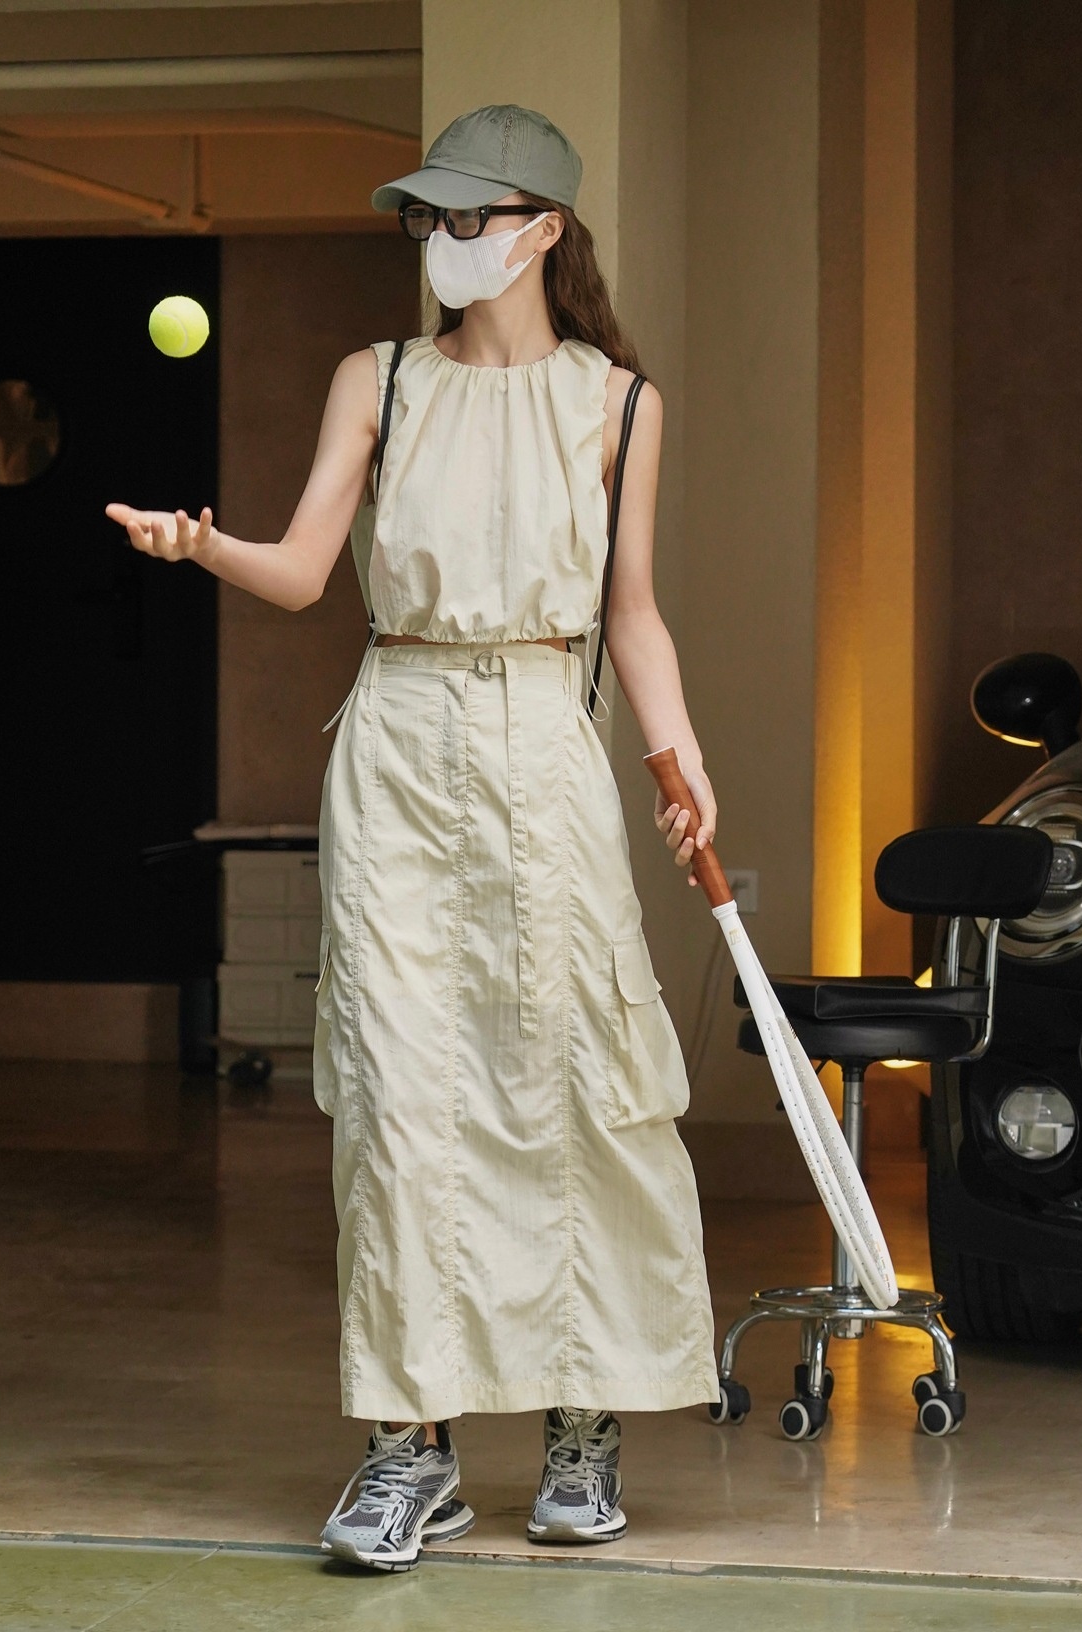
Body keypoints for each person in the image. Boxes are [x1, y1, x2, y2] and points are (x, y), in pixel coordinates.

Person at [107, 104, 720, 1572]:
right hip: (397, 735)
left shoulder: (621, 402)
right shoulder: (376, 378)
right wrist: (202, 546)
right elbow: (304, 570)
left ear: (543, 231)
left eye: (469, 216)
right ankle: (410, 1449)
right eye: (428, 217)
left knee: (574, 1077)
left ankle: (584, 1424)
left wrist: (677, 759)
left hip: (545, 733)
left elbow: (631, 609)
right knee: (398, 1095)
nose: (442, 239)